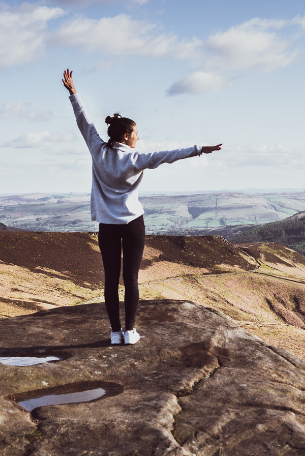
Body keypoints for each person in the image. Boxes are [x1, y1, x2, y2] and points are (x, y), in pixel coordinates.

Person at [62, 69, 222, 346]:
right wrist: (198, 149)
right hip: (133, 223)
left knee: (111, 279)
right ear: (125, 136)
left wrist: (74, 93)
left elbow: (84, 122)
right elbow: (168, 155)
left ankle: (115, 332)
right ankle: (131, 331)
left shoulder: (97, 151)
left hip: (107, 225)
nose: (138, 137)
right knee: (131, 279)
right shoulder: (136, 158)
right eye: (136, 133)